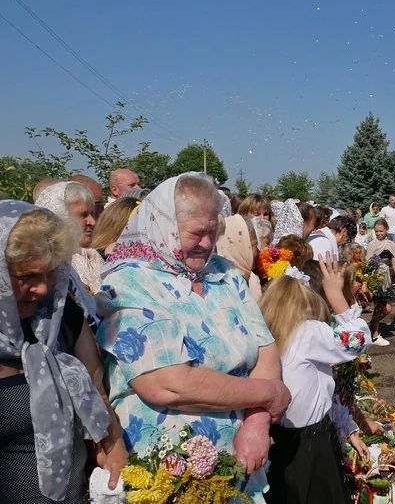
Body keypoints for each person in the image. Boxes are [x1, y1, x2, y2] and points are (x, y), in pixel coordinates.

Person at [96, 173, 291, 503]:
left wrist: (257, 425)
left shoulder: (224, 273)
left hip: (240, 465)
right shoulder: (129, 282)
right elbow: (168, 383)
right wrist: (269, 393)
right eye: (196, 234)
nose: (206, 244)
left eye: (212, 233)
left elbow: (265, 349)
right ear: (164, 228)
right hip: (171, 474)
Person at [0, 201, 126, 502]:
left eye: (50, 274)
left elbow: (97, 392)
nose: (43, 289)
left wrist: (112, 449)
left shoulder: (61, 318)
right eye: (26, 277)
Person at [259, 261, 370, 503]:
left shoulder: (267, 333)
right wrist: (335, 296)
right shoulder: (306, 331)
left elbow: (322, 391)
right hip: (311, 443)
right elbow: (358, 339)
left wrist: (348, 429)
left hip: (279, 442)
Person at [36, 181, 104, 294]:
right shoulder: (49, 263)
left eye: (92, 214)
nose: (92, 222)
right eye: (83, 215)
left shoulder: (93, 257)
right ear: (60, 216)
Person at [366, 218, 395, 347]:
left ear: (386, 230)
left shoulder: (391, 244)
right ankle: (375, 334)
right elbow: (368, 263)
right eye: (376, 231)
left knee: (387, 308)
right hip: (376, 277)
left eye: (381, 231)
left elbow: (394, 263)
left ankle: (371, 326)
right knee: (379, 307)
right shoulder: (372, 245)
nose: (379, 233)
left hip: (386, 278)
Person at [217, 213, 262, 299]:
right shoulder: (222, 285)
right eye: (254, 245)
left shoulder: (251, 279)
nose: (258, 251)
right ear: (239, 247)